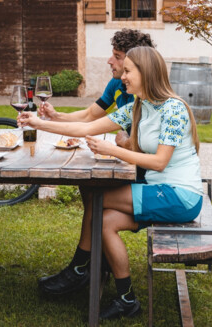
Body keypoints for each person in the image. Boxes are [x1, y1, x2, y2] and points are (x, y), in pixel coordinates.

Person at [19, 46, 204, 319]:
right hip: (158, 191)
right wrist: (38, 122)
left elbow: (159, 162)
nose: (123, 77)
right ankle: (127, 299)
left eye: (128, 71)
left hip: (180, 196)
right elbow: (86, 128)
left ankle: (79, 268)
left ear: (147, 73)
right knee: (105, 222)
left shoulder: (173, 109)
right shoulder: (138, 107)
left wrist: (113, 150)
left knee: (97, 198)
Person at [34, 28, 156, 296]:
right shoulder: (116, 86)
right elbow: (91, 115)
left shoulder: (147, 96)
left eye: (117, 56)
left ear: (135, 62)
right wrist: (56, 116)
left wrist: (123, 143)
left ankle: (82, 267)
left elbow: (144, 146)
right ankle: (88, 265)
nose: (110, 62)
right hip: (132, 167)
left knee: (94, 191)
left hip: (149, 178)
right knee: (90, 187)